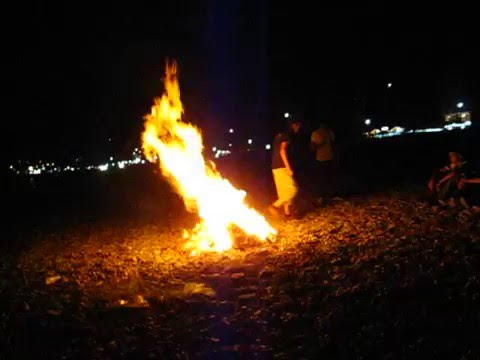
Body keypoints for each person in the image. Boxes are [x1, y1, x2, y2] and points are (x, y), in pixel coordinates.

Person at [269, 117, 302, 217]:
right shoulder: (286, 136)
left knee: (283, 191)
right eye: (298, 126)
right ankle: (275, 206)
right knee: (293, 189)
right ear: (293, 125)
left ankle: (288, 213)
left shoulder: (278, 135)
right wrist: (288, 167)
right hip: (281, 166)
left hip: (275, 166)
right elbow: (282, 151)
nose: (299, 128)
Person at [310, 123, 336, 204]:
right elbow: (312, 146)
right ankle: (321, 197)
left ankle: (328, 196)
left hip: (329, 157)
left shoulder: (329, 132)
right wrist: (319, 145)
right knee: (322, 179)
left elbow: (333, 143)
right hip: (321, 158)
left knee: (328, 178)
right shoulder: (316, 133)